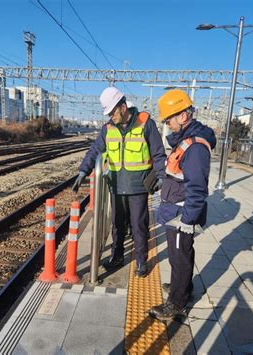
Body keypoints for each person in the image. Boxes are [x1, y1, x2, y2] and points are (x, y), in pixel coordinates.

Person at [72, 87, 166, 277]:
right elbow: (95, 150)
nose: (110, 116)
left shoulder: (146, 124)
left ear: (123, 107)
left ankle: (141, 261)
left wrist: (161, 176)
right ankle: (117, 256)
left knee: (138, 225)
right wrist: (84, 170)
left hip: (138, 186)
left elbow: (158, 153)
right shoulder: (108, 129)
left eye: (112, 112)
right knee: (117, 224)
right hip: (116, 185)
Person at [149, 89, 216, 320]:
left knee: (179, 256)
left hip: (182, 213)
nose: (167, 123)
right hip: (176, 208)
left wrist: (188, 220)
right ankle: (183, 288)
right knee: (182, 253)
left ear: (183, 116)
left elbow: (197, 187)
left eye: (169, 119)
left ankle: (176, 303)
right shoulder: (186, 141)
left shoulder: (195, 147)